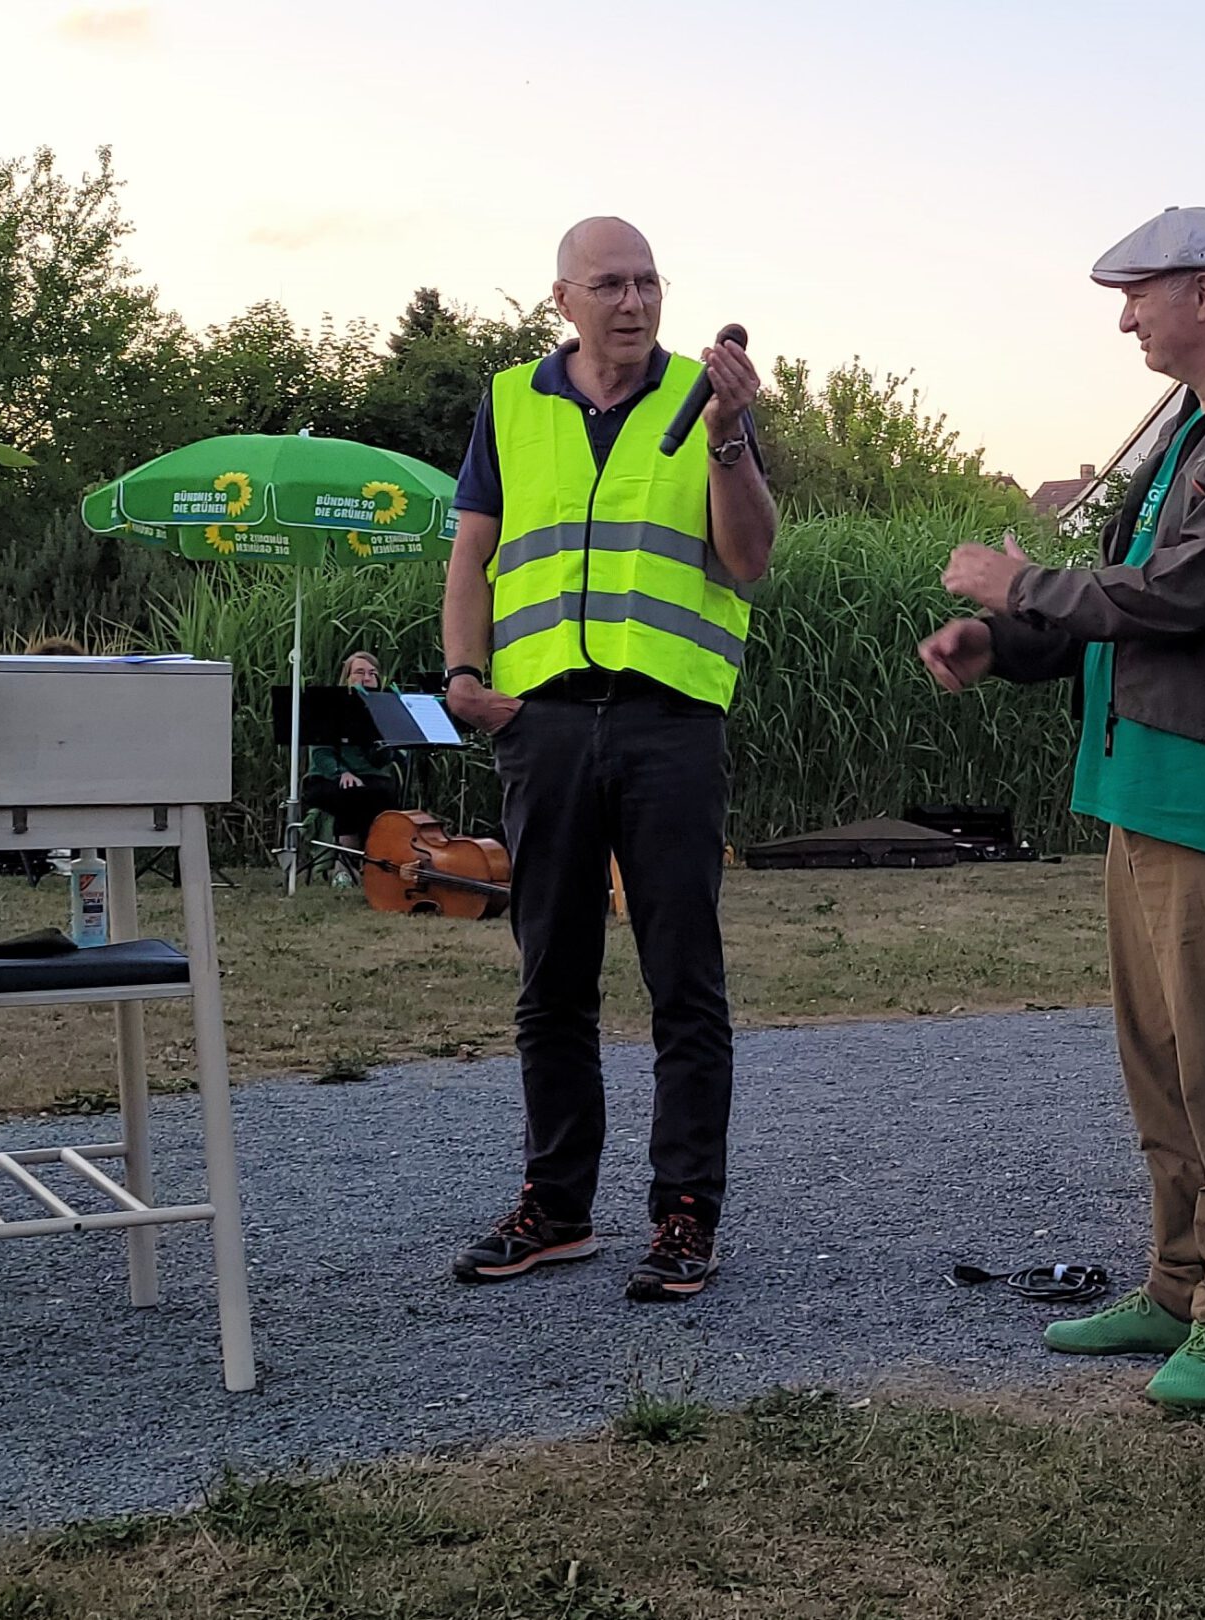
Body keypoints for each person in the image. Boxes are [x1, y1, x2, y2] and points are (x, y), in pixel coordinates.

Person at [920, 207, 1205, 1408]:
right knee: (1159, 1065)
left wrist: (1021, 578)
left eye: (1140, 293)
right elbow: (1116, 610)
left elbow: (1189, 588)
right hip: (1139, 788)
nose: (1125, 317)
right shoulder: (1190, 428)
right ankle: (1173, 1285)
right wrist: (1001, 638)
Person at [439, 216, 776, 1299]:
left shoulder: (703, 401)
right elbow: (474, 554)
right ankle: (558, 1207)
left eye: (647, 283)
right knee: (552, 982)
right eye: (609, 285)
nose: (632, 303)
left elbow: (749, 560)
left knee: (683, 983)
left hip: (668, 723)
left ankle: (685, 1218)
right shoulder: (506, 403)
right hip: (540, 724)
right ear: (562, 300)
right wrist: (462, 679)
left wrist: (726, 435)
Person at [302, 651, 402, 882]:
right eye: (359, 672)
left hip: (373, 778)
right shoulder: (328, 707)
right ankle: (343, 866)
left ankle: (374, 867)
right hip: (328, 778)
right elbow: (320, 752)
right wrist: (341, 772)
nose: (366, 678)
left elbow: (386, 759)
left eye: (372, 674)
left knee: (381, 795)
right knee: (351, 794)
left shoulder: (384, 710)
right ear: (346, 677)